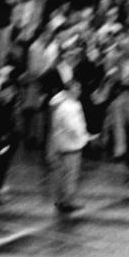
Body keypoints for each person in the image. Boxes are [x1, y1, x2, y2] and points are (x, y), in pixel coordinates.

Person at [44, 69, 88, 215]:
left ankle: (61, 198)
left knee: (62, 173)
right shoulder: (69, 107)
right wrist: (83, 137)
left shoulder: (67, 104)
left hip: (63, 143)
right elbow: (73, 127)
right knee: (71, 174)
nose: (79, 91)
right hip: (71, 145)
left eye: (79, 88)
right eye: (76, 88)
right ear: (69, 90)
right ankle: (68, 200)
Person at [0, 68, 21, 206]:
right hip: (1, 141)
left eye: (13, 92)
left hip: (10, 139)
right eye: (9, 91)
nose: (11, 94)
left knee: (4, 167)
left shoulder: (10, 103)